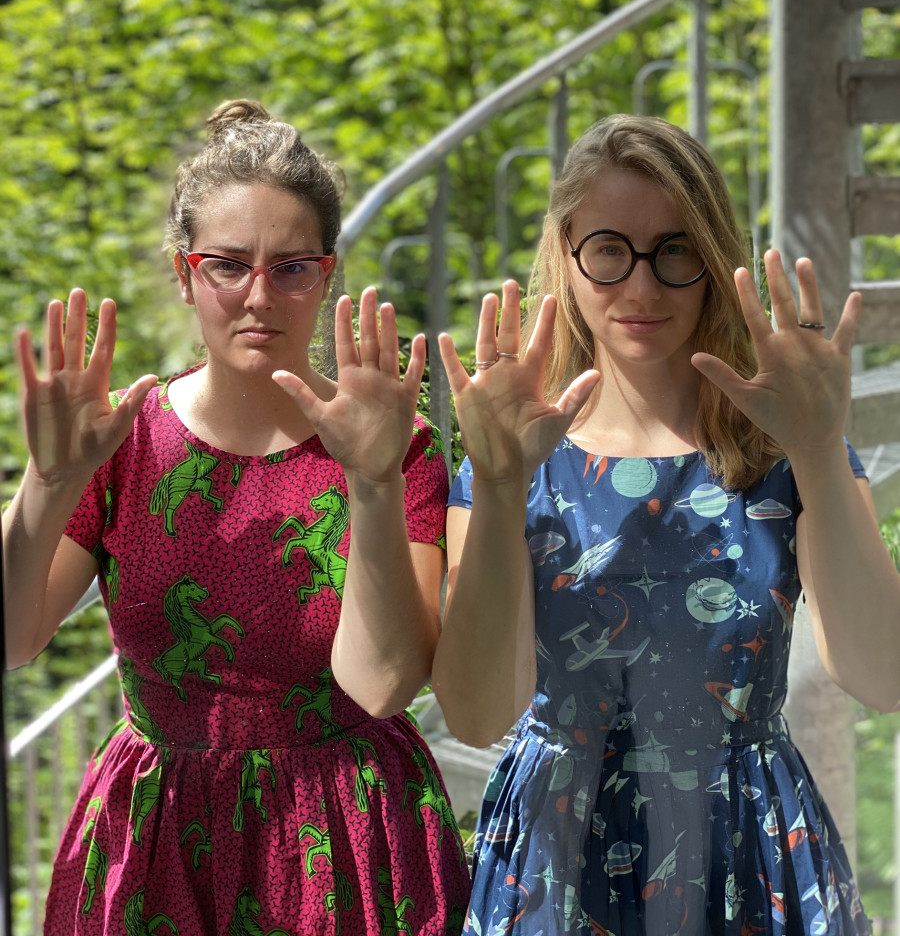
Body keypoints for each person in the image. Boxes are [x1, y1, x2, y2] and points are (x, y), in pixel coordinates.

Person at [3, 99, 471, 935]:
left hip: (349, 836)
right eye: (227, 265)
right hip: (157, 837)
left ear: (326, 275)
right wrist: (47, 482)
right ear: (185, 274)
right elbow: (11, 639)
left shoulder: (396, 447)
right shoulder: (121, 441)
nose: (259, 296)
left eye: (290, 268)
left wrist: (370, 482)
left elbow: (386, 682)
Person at [433, 114, 899, 936]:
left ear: (713, 260)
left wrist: (822, 448)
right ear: (566, 254)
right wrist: (501, 484)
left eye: (674, 251)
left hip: (747, 849)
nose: (642, 290)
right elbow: (475, 715)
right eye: (609, 250)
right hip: (558, 855)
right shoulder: (514, 457)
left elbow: (883, 676)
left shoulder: (789, 448)